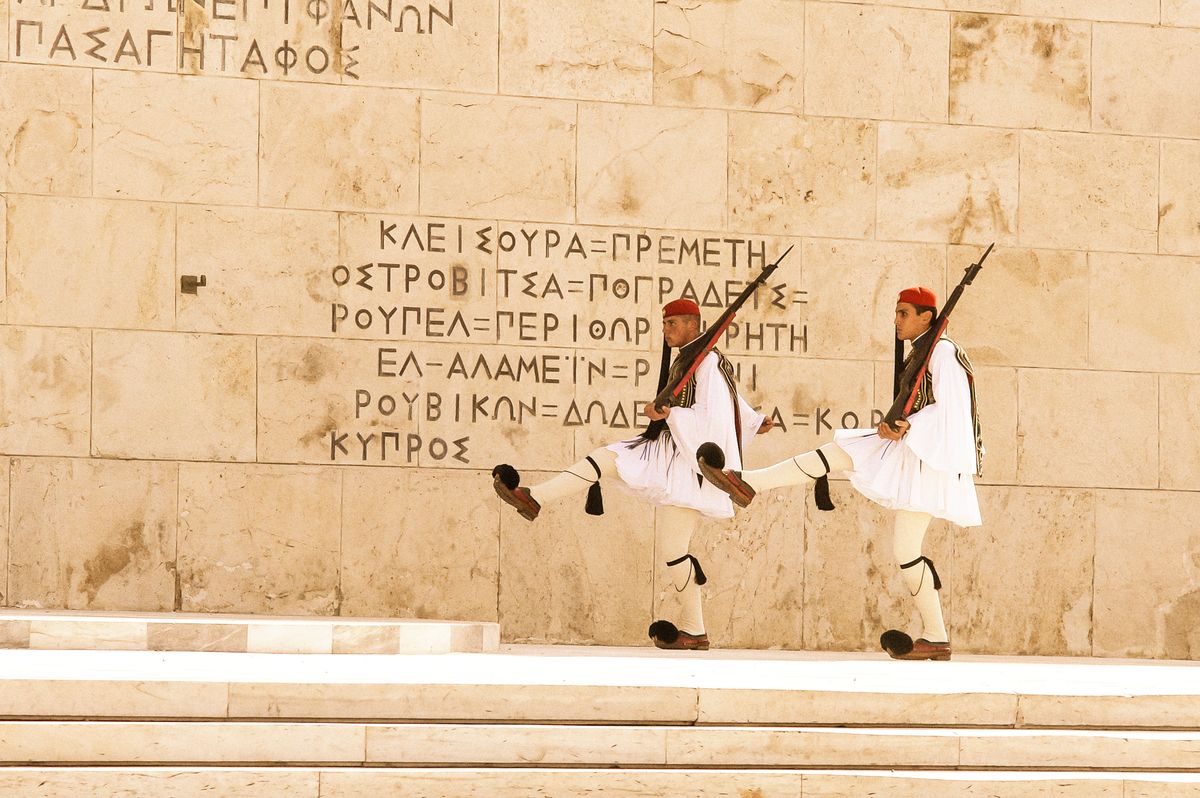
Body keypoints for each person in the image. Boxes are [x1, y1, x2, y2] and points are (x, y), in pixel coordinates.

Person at [697, 286, 983, 661]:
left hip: (929, 458)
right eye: (896, 313)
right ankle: (936, 637)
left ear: (927, 317)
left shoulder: (943, 352)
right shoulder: (927, 351)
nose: (896, 321)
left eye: (904, 314)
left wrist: (908, 426)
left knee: (897, 535)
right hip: (915, 451)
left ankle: (936, 635)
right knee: (846, 459)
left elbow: (955, 410)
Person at [492, 298, 771, 650]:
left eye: (671, 324)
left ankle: (534, 498)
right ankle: (694, 631)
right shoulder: (694, 357)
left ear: (691, 324)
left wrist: (667, 414)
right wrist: (755, 421)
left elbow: (714, 411)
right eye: (665, 324)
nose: (665, 331)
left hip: (684, 462)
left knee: (609, 459)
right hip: (674, 456)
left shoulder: (707, 361)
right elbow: (730, 404)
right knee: (670, 545)